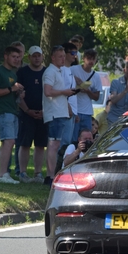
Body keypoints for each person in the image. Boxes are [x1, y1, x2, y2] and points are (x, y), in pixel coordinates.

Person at [0, 46, 24, 184]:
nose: (16, 59)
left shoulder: (13, 74)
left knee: (9, 142)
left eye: (18, 57)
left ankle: (5, 173)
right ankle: (3, 174)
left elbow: (11, 91)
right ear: (6, 56)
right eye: (14, 56)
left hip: (12, 111)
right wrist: (11, 89)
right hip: (2, 112)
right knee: (8, 141)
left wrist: (18, 92)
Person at [43, 45, 76, 185]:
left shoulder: (59, 71)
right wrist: (64, 92)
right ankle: (50, 176)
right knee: (53, 145)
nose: (63, 59)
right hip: (55, 114)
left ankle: (53, 174)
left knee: (56, 145)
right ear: (53, 57)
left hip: (60, 112)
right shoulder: (50, 72)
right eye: (60, 56)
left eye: (64, 56)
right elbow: (48, 92)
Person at [16, 45, 47, 183]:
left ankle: (38, 172)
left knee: (40, 145)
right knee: (25, 143)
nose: (36, 58)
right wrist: (27, 110)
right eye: (34, 56)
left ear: (42, 57)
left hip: (43, 113)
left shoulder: (47, 72)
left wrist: (44, 112)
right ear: (29, 57)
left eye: (38, 55)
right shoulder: (22, 72)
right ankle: (22, 172)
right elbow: (17, 95)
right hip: (26, 113)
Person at [70, 48, 102, 133]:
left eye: (93, 59)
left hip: (87, 112)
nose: (91, 61)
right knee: (73, 138)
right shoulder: (73, 69)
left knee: (86, 138)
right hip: (74, 110)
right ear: (83, 58)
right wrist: (74, 79)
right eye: (89, 58)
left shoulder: (96, 76)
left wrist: (88, 91)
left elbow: (96, 97)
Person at [60, 41, 79, 148]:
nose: (75, 55)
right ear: (65, 53)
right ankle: (58, 164)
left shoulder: (70, 70)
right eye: (72, 53)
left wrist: (75, 111)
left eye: (76, 53)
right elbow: (62, 92)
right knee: (64, 142)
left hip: (72, 111)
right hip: (65, 111)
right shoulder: (61, 70)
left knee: (68, 143)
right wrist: (69, 109)